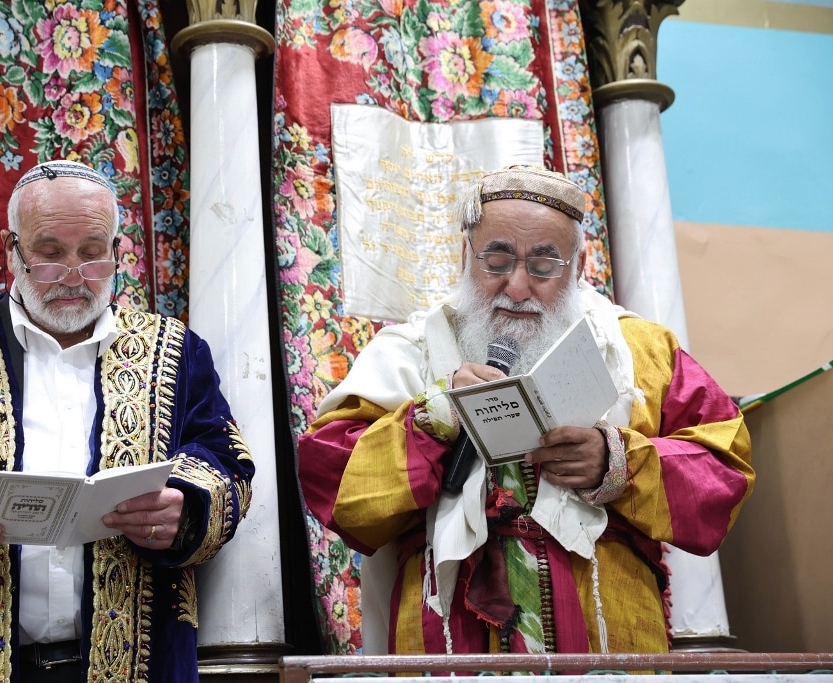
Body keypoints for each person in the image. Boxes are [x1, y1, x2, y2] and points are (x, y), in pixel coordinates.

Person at [297, 164, 753, 655]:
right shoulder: (409, 352)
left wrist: (618, 461)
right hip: (449, 643)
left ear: (578, 267)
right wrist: (433, 417)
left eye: (543, 266)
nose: (517, 286)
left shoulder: (639, 351)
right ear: (464, 255)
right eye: (496, 261)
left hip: (610, 637)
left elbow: (724, 469)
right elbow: (329, 478)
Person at [0, 160, 254, 682]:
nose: (74, 275)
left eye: (93, 253)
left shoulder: (177, 352)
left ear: (118, 252)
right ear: (12, 250)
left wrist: (186, 509)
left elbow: (227, 459)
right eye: (51, 253)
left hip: (137, 662)